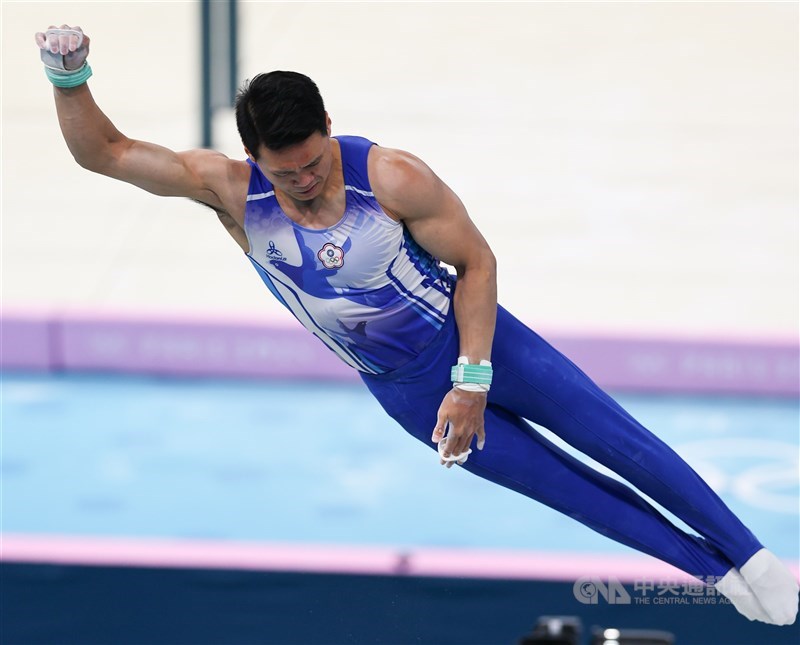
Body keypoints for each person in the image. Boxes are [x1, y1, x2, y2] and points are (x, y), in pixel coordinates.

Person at [35, 25, 798, 626]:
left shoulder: (392, 176)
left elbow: (480, 265)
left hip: (486, 344)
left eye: (313, 161)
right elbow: (105, 152)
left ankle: (754, 553)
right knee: (571, 491)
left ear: (330, 126)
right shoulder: (233, 192)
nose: (304, 181)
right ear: (252, 156)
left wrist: (472, 378)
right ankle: (717, 573)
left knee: (621, 443)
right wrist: (70, 78)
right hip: (403, 391)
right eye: (285, 169)